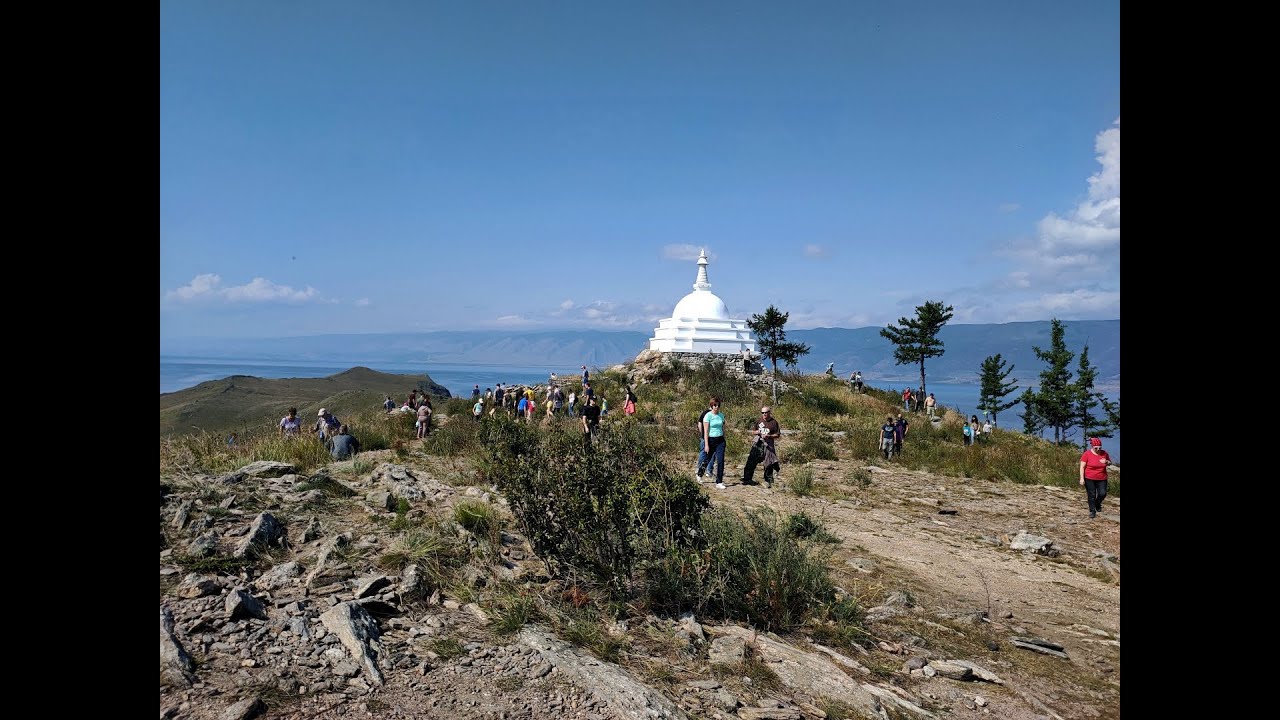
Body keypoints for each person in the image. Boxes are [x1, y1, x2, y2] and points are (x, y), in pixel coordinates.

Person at [742, 406, 781, 487]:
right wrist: (756, 432)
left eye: (766, 412)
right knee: (751, 460)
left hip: (768, 444)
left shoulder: (774, 422)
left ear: (769, 413)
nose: (764, 414)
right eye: (762, 413)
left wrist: (769, 436)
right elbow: (753, 431)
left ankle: (768, 480)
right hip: (758, 443)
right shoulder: (759, 421)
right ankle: (747, 479)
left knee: (769, 462)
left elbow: (777, 435)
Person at [1079, 437, 1112, 519]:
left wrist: (1107, 462)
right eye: (1096, 448)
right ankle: (1092, 511)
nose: (1098, 449)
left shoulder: (1104, 453)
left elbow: (1110, 462)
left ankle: (1098, 503)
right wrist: (1082, 478)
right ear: (1092, 446)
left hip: (1102, 478)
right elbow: (1082, 467)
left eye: (1100, 447)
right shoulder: (1087, 454)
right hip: (1089, 477)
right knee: (1091, 494)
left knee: (1102, 493)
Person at [701, 398, 728, 489]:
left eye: (718, 405)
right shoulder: (708, 416)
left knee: (720, 461)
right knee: (707, 459)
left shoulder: (721, 415)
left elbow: (723, 428)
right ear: (711, 406)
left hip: (720, 440)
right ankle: (700, 474)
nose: (716, 407)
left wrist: (724, 439)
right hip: (711, 439)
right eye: (714, 405)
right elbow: (706, 431)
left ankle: (719, 481)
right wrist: (706, 444)